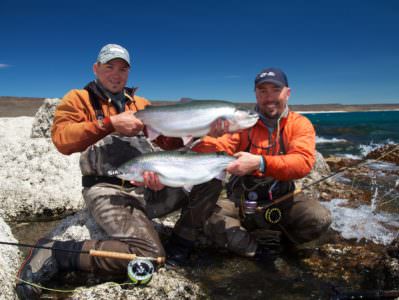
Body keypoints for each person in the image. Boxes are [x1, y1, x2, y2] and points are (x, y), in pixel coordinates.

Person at [16, 44, 226, 299]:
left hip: (146, 186)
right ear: (96, 68)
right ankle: (57, 251)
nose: (116, 74)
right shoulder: (78, 99)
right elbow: (62, 140)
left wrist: (200, 132)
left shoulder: (140, 103)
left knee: (210, 178)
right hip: (108, 190)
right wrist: (109, 123)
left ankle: (181, 243)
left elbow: (168, 144)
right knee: (150, 257)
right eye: (109, 67)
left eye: (123, 69)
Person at [191, 67, 332, 259]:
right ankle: (257, 250)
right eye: (262, 91)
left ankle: (285, 244)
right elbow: (213, 149)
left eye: (275, 90)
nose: (269, 97)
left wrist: (260, 163)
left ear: (287, 93)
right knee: (206, 215)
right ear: (255, 94)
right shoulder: (240, 125)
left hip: (283, 200)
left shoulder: (300, 124)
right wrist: (205, 134)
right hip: (240, 201)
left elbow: (303, 162)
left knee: (318, 218)